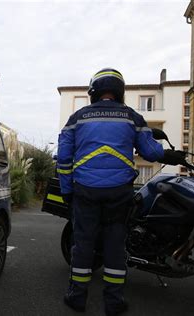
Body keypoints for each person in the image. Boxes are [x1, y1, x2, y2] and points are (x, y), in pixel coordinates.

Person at [57, 68, 167, 315]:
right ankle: (114, 302)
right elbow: (151, 152)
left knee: (83, 245)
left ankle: (77, 297)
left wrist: (67, 191)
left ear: (94, 91)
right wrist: (169, 153)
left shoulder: (77, 118)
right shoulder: (132, 117)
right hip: (119, 192)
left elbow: (63, 159)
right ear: (120, 91)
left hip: (85, 191)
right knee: (115, 246)